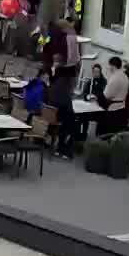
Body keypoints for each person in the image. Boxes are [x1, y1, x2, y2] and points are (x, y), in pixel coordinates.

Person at [44, 20, 83, 156]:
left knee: (67, 118)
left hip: (52, 105)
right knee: (72, 122)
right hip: (60, 108)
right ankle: (66, 148)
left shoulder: (55, 40)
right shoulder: (69, 40)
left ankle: (57, 143)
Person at [99, 56, 129, 135]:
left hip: (113, 111)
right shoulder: (125, 77)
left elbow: (106, 96)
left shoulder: (114, 78)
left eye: (109, 65)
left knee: (103, 133)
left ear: (112, 66)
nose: (108, 68)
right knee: (116, 134)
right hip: (122, 109)